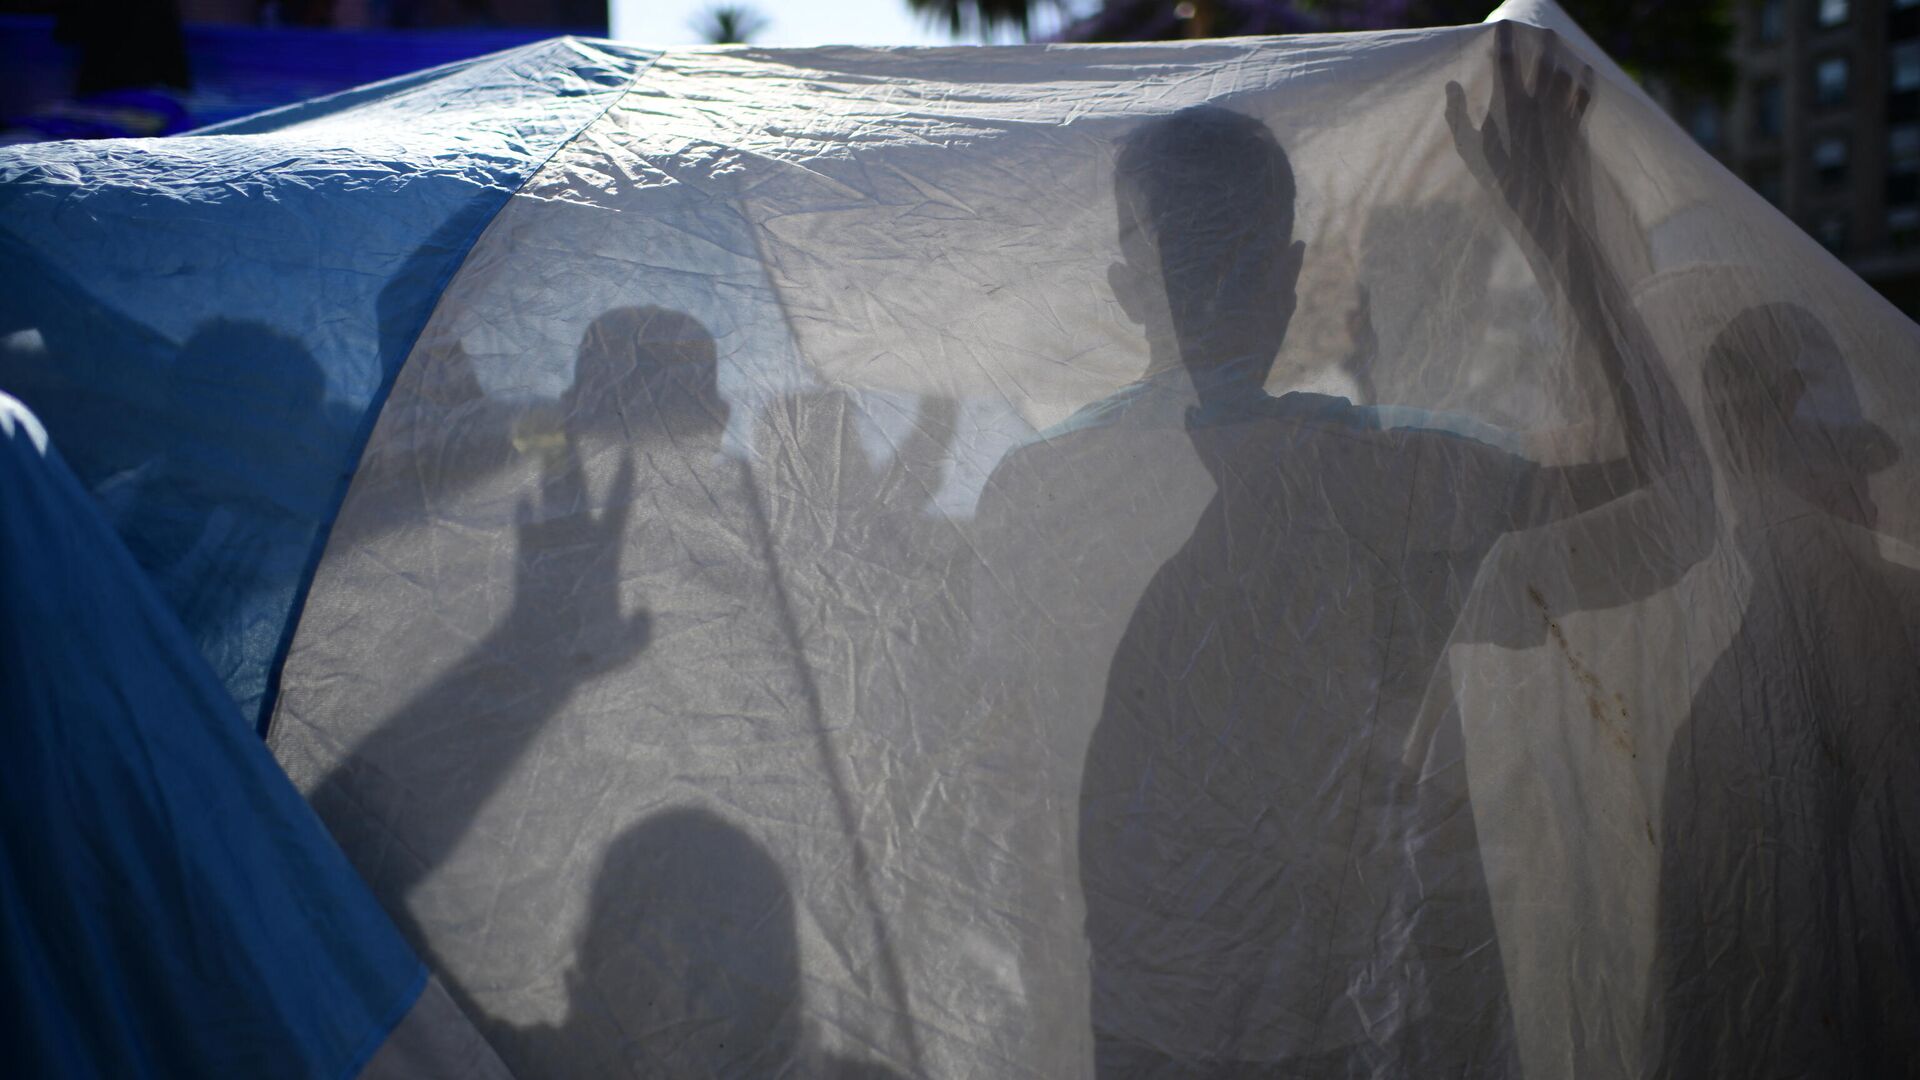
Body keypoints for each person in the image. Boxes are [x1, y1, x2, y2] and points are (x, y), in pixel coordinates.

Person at [1053, 26, 1711, 1074]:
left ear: (1129, 288)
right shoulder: (1358, 478)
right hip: (1354, 1022)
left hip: (1139, 1021)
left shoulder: (1036, 492)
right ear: (1289, 275)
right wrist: (1549, 215)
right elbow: (1651, 458)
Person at [1642, 303, 1920, 1078]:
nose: (1868, 506)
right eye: (1841, 466)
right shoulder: (1714, 734)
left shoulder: (1704, 725)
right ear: (1768, 482)